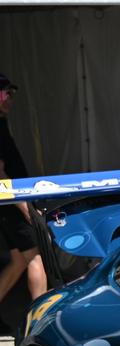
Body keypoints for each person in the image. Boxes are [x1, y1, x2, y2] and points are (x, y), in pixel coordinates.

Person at [0, 73, 47, 310]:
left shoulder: (2, 122)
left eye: (11, 94)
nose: (10, 99)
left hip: (9, 201)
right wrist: (25, 206)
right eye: (6, 93)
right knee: (35, 259)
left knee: (19, 261)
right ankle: (40, 321)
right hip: (11, 201)